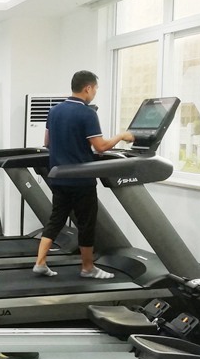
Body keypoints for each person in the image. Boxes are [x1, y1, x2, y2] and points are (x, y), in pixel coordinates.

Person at [33, 70, 135, 279]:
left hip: (58, 177)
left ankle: (40, 262)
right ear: (88, 88)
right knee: (86, 224)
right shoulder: (87, 113)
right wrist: (122, 136)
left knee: (56, 220)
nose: (95, 93)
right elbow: (101, 147)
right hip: (81, 180)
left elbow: (47, 142)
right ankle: (88, 268)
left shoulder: (54, 111)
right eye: (95, 89)